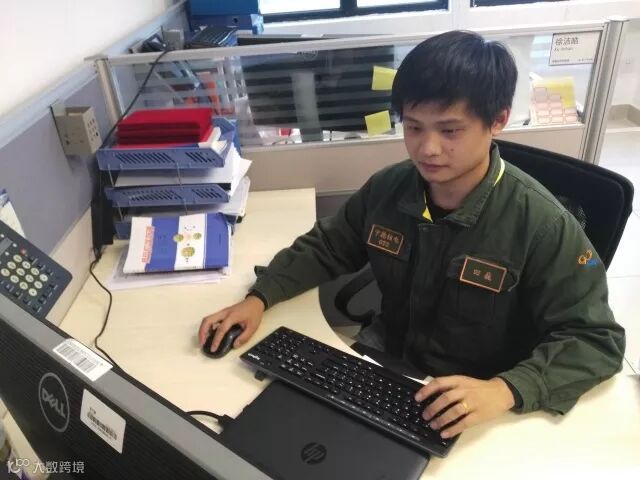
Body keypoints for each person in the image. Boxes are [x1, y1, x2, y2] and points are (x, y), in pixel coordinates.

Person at [198, 30, 625, 440]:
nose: (427, 148)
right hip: (388, 363)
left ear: (497, 121)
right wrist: (260, 297)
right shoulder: (390, 187)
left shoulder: (544, 224)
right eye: (414, 127)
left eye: (450, 130)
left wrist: (506, 389)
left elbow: (595, 339)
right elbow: (328, 246)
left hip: (472, 396)